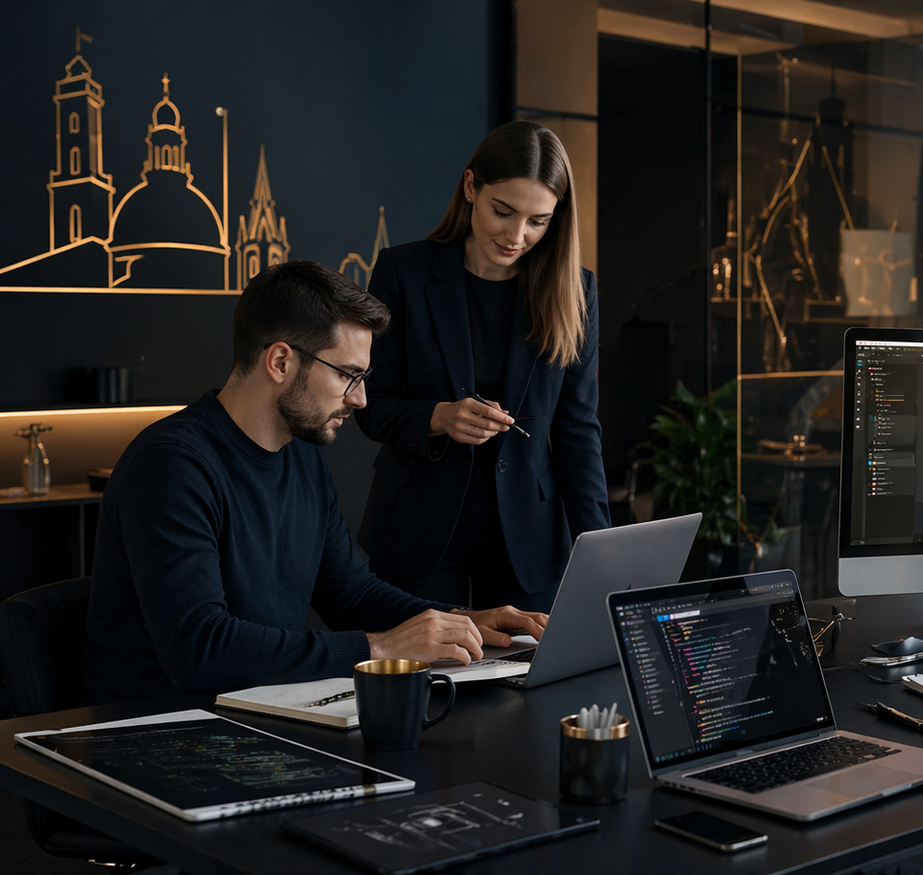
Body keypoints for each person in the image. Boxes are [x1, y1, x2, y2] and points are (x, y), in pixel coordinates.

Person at [85, 261, 546, 704]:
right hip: (159, 731)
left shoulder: (301, 452)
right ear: (281, 361)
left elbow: (349, 593)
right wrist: (380, 649)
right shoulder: (171, 466)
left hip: (260, 711)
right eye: (348, 375)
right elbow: (199, 650)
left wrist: (459, 620)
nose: (362, 399)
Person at [354, 121, 608, 612]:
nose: (517, 236)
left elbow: (578, 430)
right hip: (417, 529)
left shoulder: (578, 291)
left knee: (526, 685)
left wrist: (602, 553)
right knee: (424, 683)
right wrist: (438, 417)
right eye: (503, 211)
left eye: (538, 221)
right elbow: (370, 405)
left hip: (528, 539)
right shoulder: (401, 273)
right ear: (471, 187)